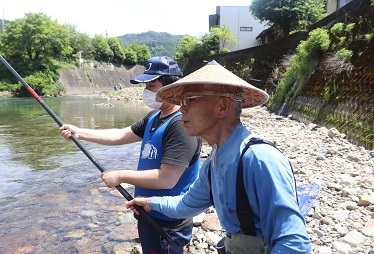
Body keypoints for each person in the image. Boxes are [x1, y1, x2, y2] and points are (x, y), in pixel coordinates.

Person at [126, 60, 312, 253]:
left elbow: (294, 244)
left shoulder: (259, 159)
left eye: (190, 99)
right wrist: (150, 203)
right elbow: (186, 204)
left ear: (222, 107)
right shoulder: (215, 159)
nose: (182, 108)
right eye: (182, 101)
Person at [60, 56, 202, 254]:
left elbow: (167, 179)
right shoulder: (155, 116)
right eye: (146, 85)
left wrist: (120, 176)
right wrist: (80, 133)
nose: (146, 91)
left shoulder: (180, 125)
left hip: (168, 223)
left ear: (171, 87)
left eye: (152, 85)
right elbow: (120, 135)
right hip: (147, 214)